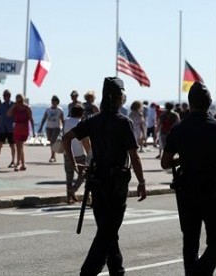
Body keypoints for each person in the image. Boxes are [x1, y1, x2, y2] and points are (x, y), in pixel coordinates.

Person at [63, 77, 147, 276]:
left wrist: (75, 164)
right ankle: (88, 271)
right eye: (121, 95)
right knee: (107, 232)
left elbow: (67, 138)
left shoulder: (93, 120)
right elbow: (134, 156)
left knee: (108, 231)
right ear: (117, 98)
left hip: (97, 182)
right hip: (115, 184)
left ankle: (117, 270)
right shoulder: (123, 122)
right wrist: (142, 182)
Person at [161, 81, 216, 276]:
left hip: (187, 190)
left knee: (190, 241)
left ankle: (194, 273)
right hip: (212, 191)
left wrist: (186, 157)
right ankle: (200, 272)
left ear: (190, 103)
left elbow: (165, 162)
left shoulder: (179, 128)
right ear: (210, 103)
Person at [63, 104, 87, 204]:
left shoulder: (66, 121)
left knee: (69, 176)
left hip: (67, 152)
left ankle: (69, 198)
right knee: (83, 174)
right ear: (81, 113)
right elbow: (85, 139)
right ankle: (73, 189)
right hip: (79, 153)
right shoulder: (82, 123)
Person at [8, 94, 34, 171]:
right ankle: (23, 164)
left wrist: (33, 130)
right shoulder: (15, 108)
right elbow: (8, 114)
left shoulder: (27, 108)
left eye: (21, 101)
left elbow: (31, 119)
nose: (19, 103)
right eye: (18, 101)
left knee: (20, 146)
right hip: (17, 128)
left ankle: (18, 163)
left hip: (24, 128)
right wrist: (13, 106)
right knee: (19, 146)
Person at [38, 95, 64, 163]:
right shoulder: (48, 109)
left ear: (57, 102)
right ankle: (54, 154)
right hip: (48, 127)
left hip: (56, 127)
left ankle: (52, 156)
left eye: (55, 101)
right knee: (50, 140)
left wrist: (64, 128)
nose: (53, 102)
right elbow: (44, 118)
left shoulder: (60, 110)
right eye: (52, 100)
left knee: (52, 140)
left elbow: (62, 120)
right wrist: (41, 127)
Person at [0, 90, 16, 169]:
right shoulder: (2, 105)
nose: (4, 97)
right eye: (4, 95)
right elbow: (0, 116)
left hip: (10, 128)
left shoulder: (13, 105)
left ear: (9, 96)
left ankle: (13, 161)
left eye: (6, 95)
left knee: (12, 145)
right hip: (2, 128)